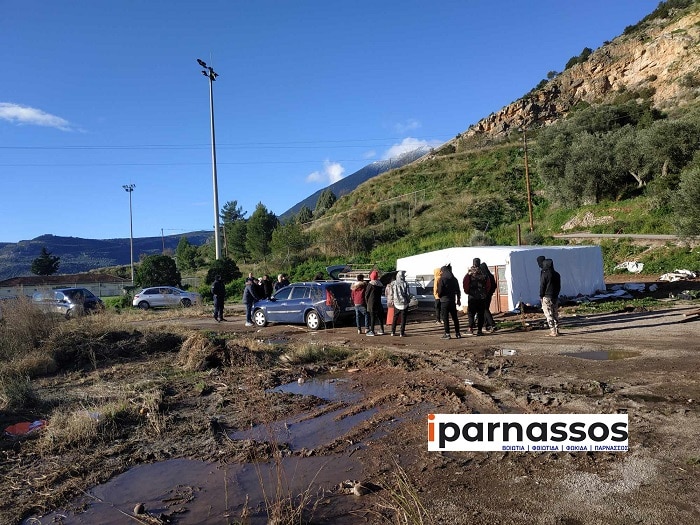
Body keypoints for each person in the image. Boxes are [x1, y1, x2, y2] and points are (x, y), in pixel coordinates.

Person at [463, 258, 491, 336]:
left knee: (471, 313)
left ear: (473, 263)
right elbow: (488, 285)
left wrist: (468, 292)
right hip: (482, 297)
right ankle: (479, 330)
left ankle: (470, 329)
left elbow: (465, 283)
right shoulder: (484, 273)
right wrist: (484, 293)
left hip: (472, 297)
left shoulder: (469, 273)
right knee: (481, 314)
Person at [437, 263, 461, 339]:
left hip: (444, 301)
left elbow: (440, 291)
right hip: (452, 301)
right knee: (455, 318)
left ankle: (447, 334)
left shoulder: (442, 279)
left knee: (445, 318)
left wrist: (440, 296)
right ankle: (458, 333)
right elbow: (458, 290)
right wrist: (458, 299)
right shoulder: (454, 279)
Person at [540, 258, 562, 336]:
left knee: (549, 314)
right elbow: (559, 286)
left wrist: (541, 295)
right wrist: (556, 294)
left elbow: (542, 286)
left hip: (547, 296)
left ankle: (553, 331)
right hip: (555, 296)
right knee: (555, 314)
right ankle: (557, 330)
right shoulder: (557, 274)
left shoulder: (545, 274)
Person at [390, 270, 411, 337]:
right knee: (403, 318)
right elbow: (408, 294)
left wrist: (392, 300)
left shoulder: (393, 283)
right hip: (404, 303)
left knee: (395, 317)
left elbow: (391, 293)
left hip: (396, 303)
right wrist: (408, 301)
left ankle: (392, 332)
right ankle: (402, 333)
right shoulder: (405, 283)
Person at [364, 270, 385, 336]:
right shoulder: (380, 284)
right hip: (378, 302)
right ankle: (382, 329)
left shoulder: (370, 284)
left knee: (372, 317)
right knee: (380, 317)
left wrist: (367, 302)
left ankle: (372, 331)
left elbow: (366, 294)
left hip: (371, 302)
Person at [479, 262, 497, 332]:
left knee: (485, 309)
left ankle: (492, 324)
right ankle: (486, 325)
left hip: (484, 295)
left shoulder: (484, 276)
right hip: (490, 295)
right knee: (485, 309)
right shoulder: (491, 275)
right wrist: (491, 292)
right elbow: (495, 285)